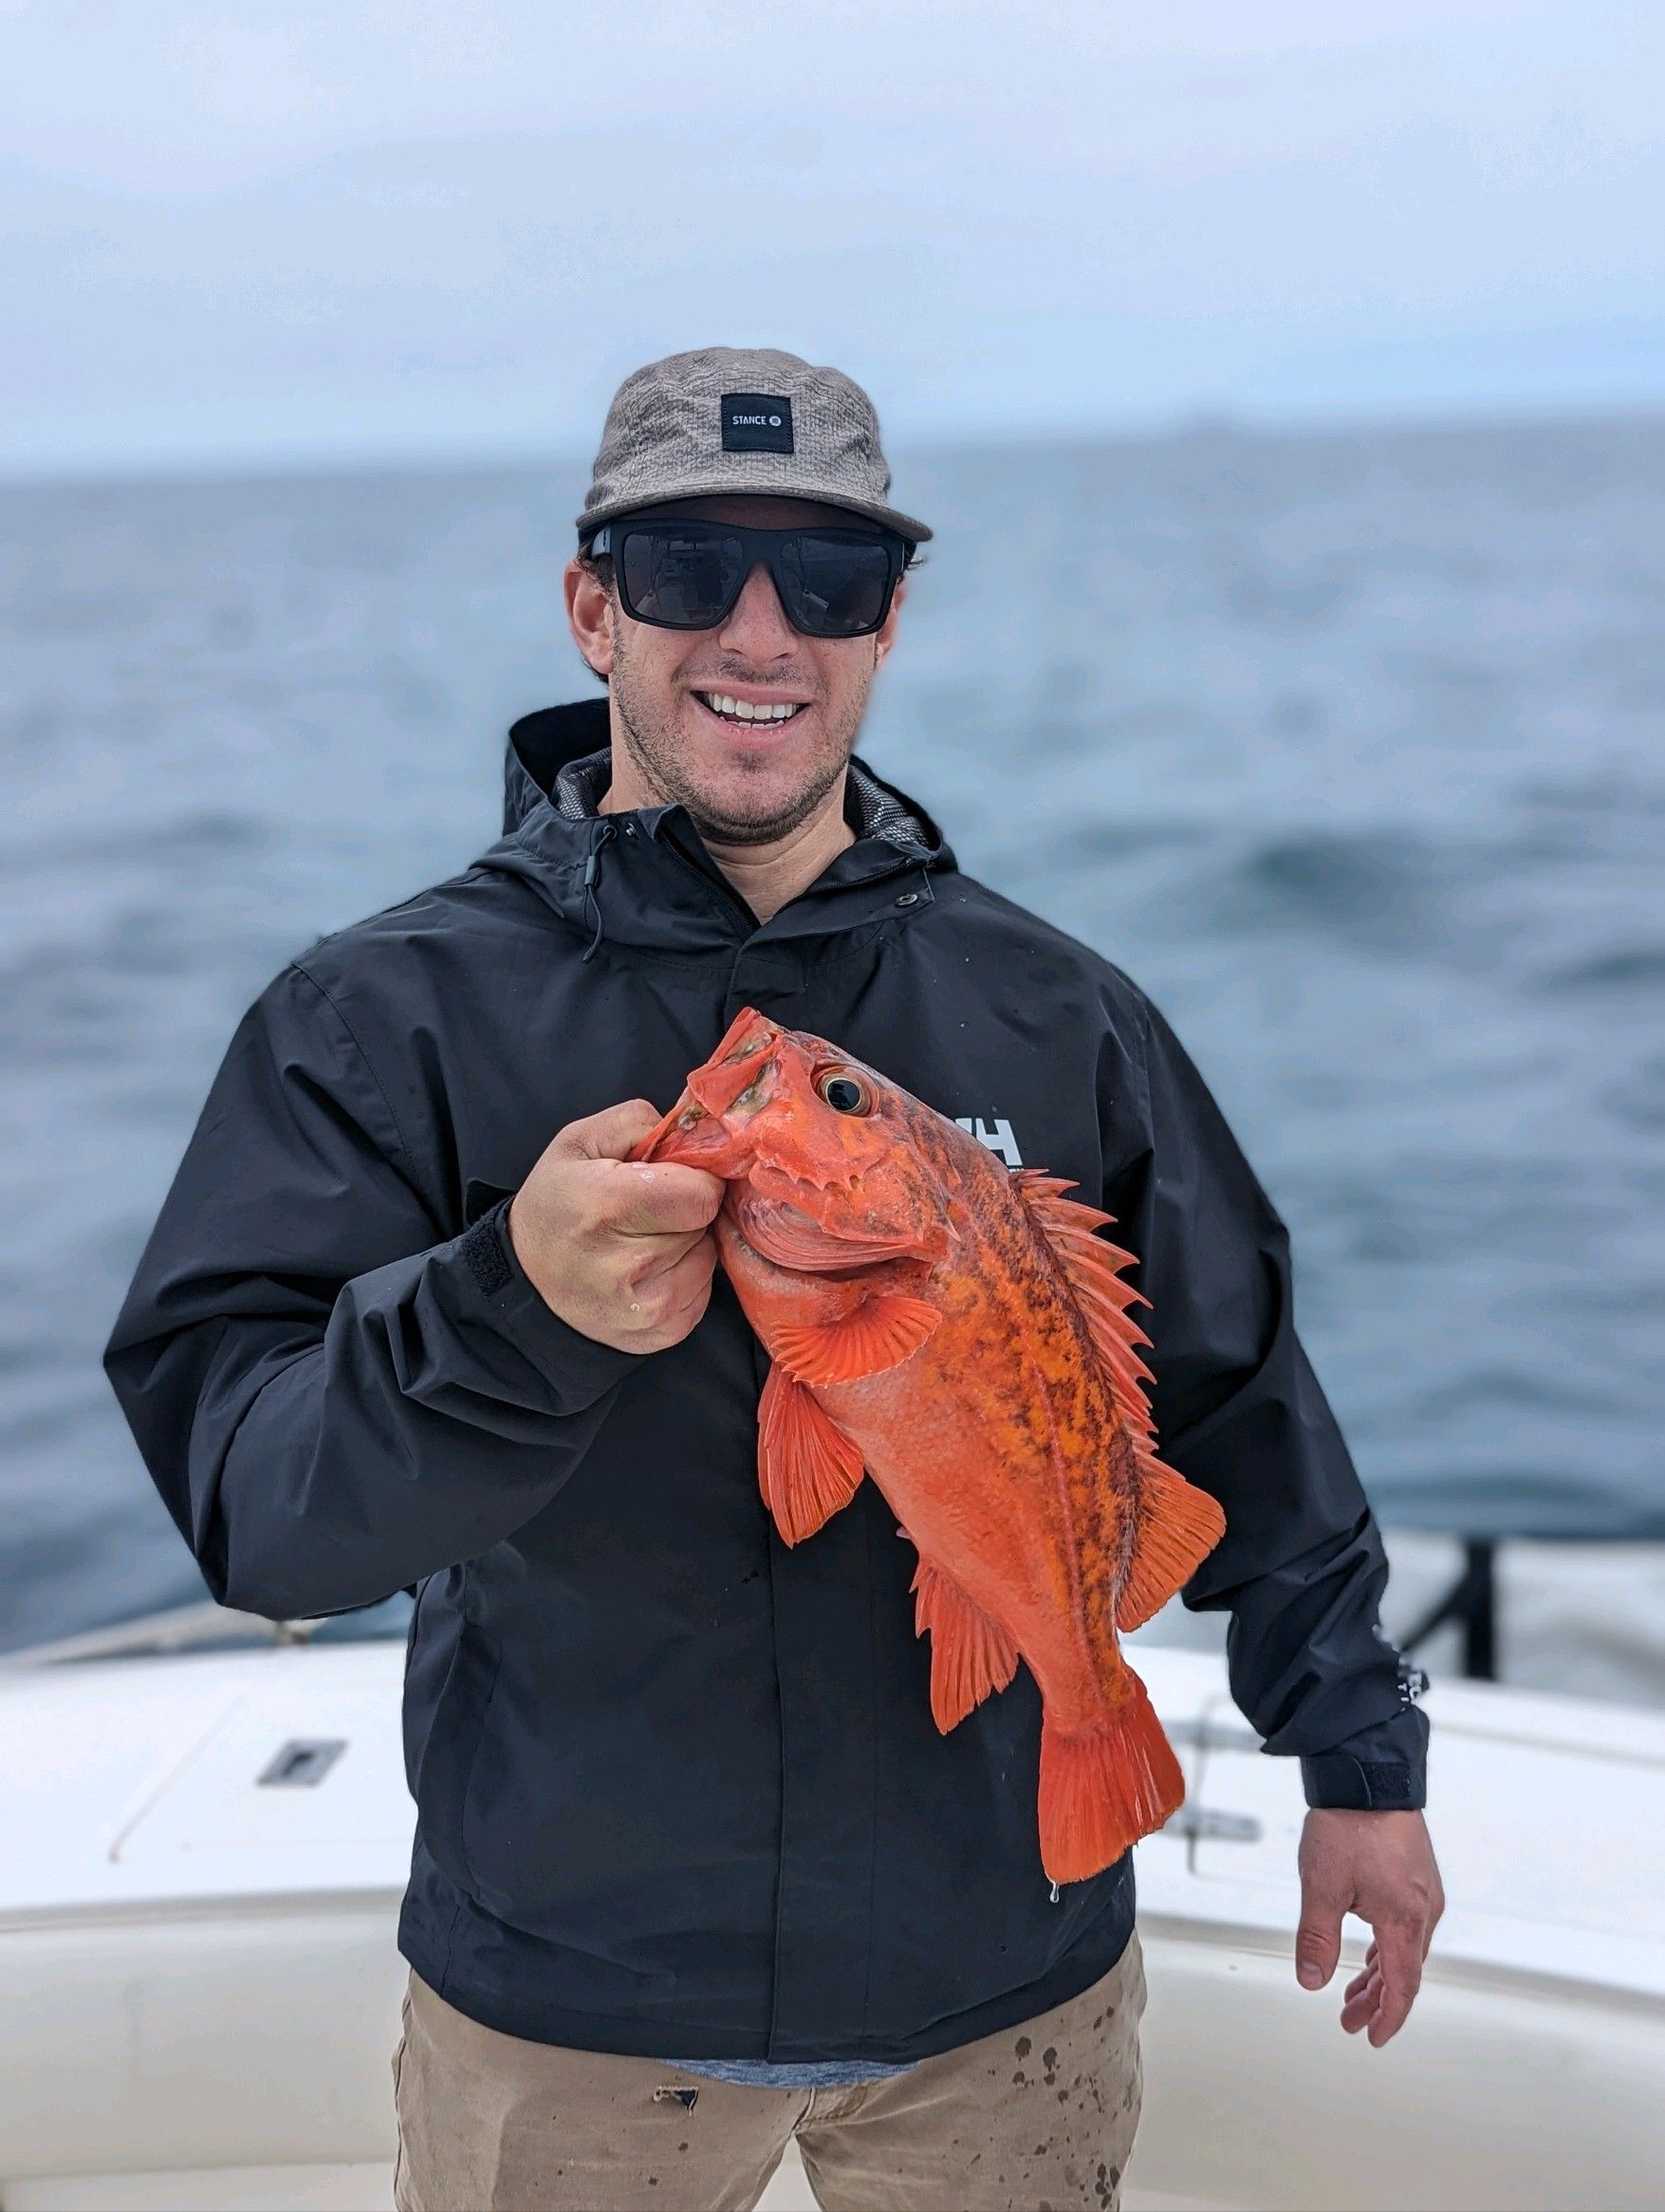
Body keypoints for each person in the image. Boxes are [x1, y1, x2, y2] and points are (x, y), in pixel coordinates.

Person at [103, 346, 1443, 2212]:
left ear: (887, 624)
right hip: (568, 2009)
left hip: (1003, 1991)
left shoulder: (1061, 1012)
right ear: (589, 609)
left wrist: (1359, 1762)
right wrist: (512, 1307)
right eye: (683, 573)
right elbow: (260, 1511)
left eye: (825, 584)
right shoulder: (373, 1019)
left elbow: (1239, 1403)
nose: (760, 632)